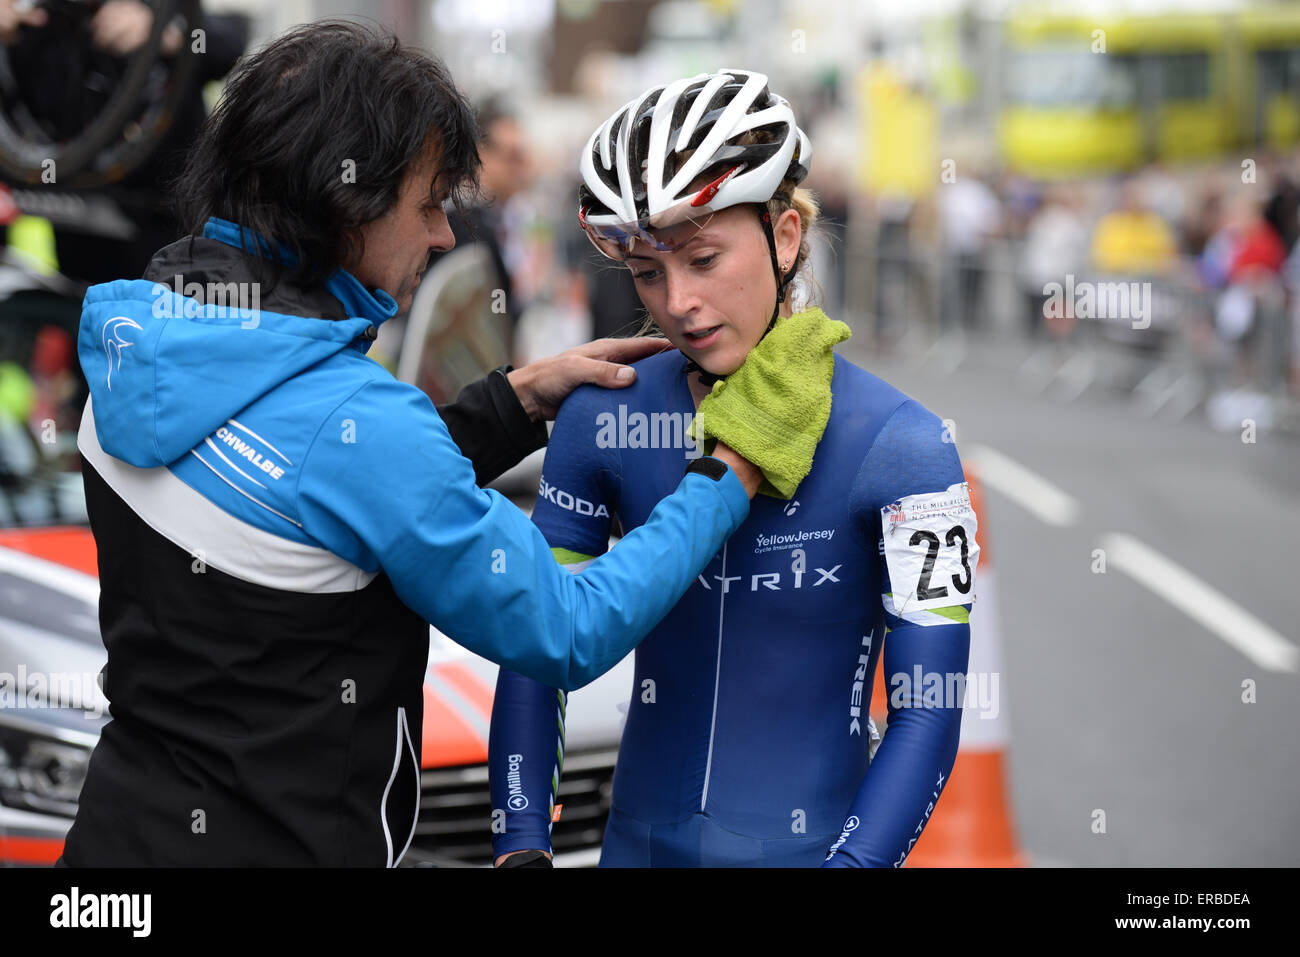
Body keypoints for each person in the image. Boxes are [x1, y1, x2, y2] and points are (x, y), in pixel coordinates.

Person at [56, 22, 832, 868]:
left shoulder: (133, 341)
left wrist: (512, 403)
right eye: (427, 203)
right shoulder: (355, 424)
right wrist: (729, 472)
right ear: (342, 200)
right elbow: (566, 627)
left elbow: (308, 494)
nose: (443, 236)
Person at [488, 69, 978, 868]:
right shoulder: (601, 417)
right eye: (649, 272)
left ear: (786, 235)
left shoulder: (905, 445)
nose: (678, 301)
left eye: (704, 257)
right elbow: (535, 649)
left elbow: (928, 713)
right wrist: (520, 845)